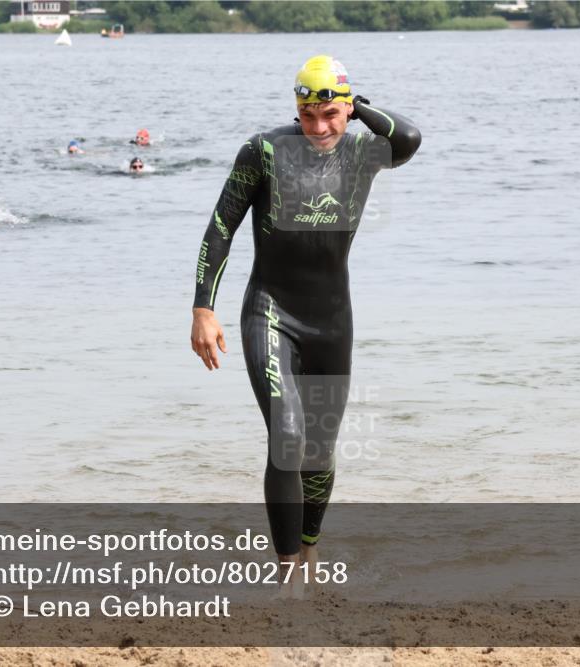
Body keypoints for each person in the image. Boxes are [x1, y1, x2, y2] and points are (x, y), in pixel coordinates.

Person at [189, 55, 421, 599]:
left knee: (319, 451)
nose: (318, 128)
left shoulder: (365, 151)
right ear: (295, 111)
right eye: (307, 114)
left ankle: (310, 550)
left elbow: (409, 138)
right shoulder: (265, 151)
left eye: (330, 115)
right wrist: (203, 307)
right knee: (288, 439)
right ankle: (287, 571)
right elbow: (221, 225)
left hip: (332, 321)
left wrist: (356, 107)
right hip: (270, 310)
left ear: (348, 109)